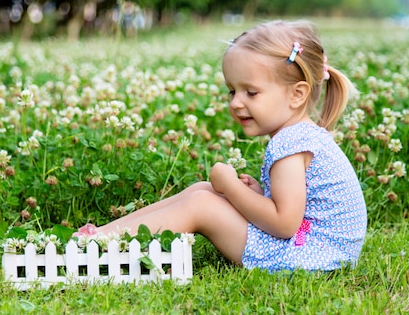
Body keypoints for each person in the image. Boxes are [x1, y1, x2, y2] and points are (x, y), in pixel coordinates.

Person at [79, 20, 367, 272]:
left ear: (297, 95)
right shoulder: (301, 135)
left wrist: (232, 188)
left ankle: (100, 243)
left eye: (251, 92)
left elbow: (284, 224)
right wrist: (255, 193)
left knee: (203, 204)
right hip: (316, 248)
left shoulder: (291, 144)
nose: (235, 103)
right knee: (203, 189)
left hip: (311, 257)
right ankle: (104, 234)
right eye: (232, 90)